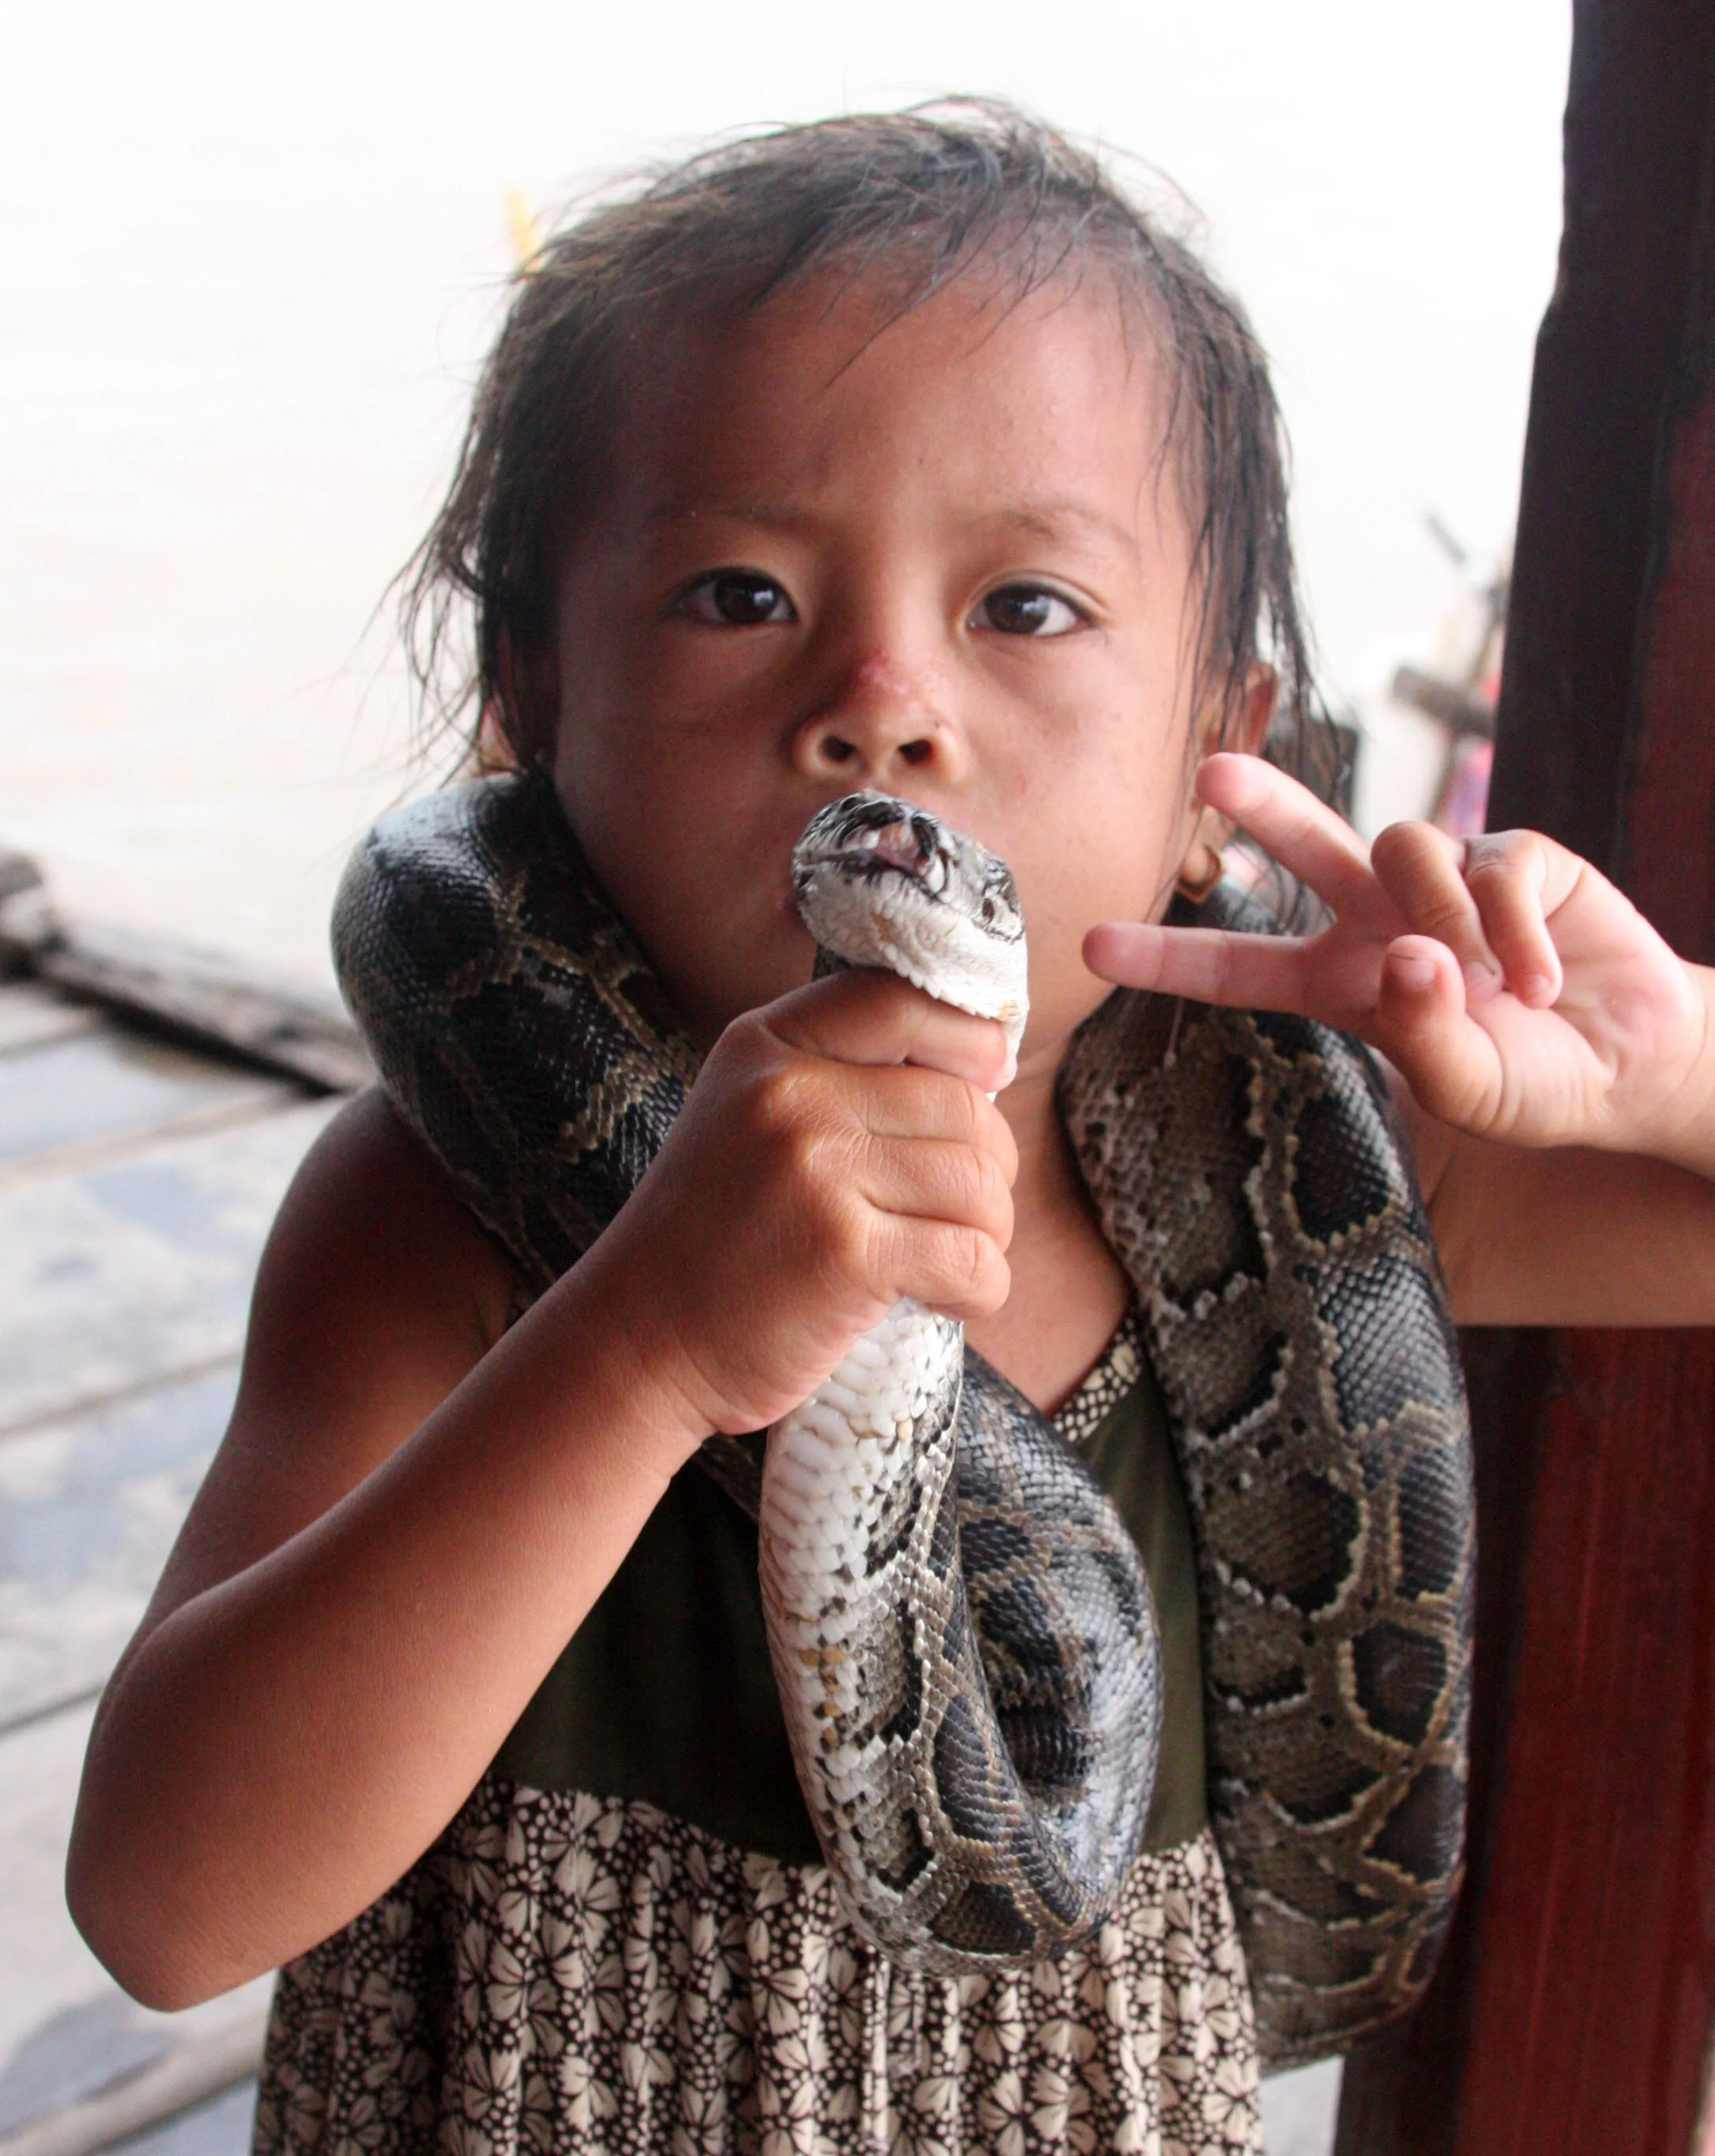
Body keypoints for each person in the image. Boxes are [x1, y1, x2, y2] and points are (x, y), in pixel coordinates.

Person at [65, 105, 1715, 2156]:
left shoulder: (1368, 1162)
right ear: (526, 701)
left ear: (1223, 753)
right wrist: (646, 1341)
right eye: (740, 591)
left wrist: (1674, 1064)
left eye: (1024, 607)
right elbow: (162, 1904)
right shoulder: (438, 1216)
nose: (881, 695)